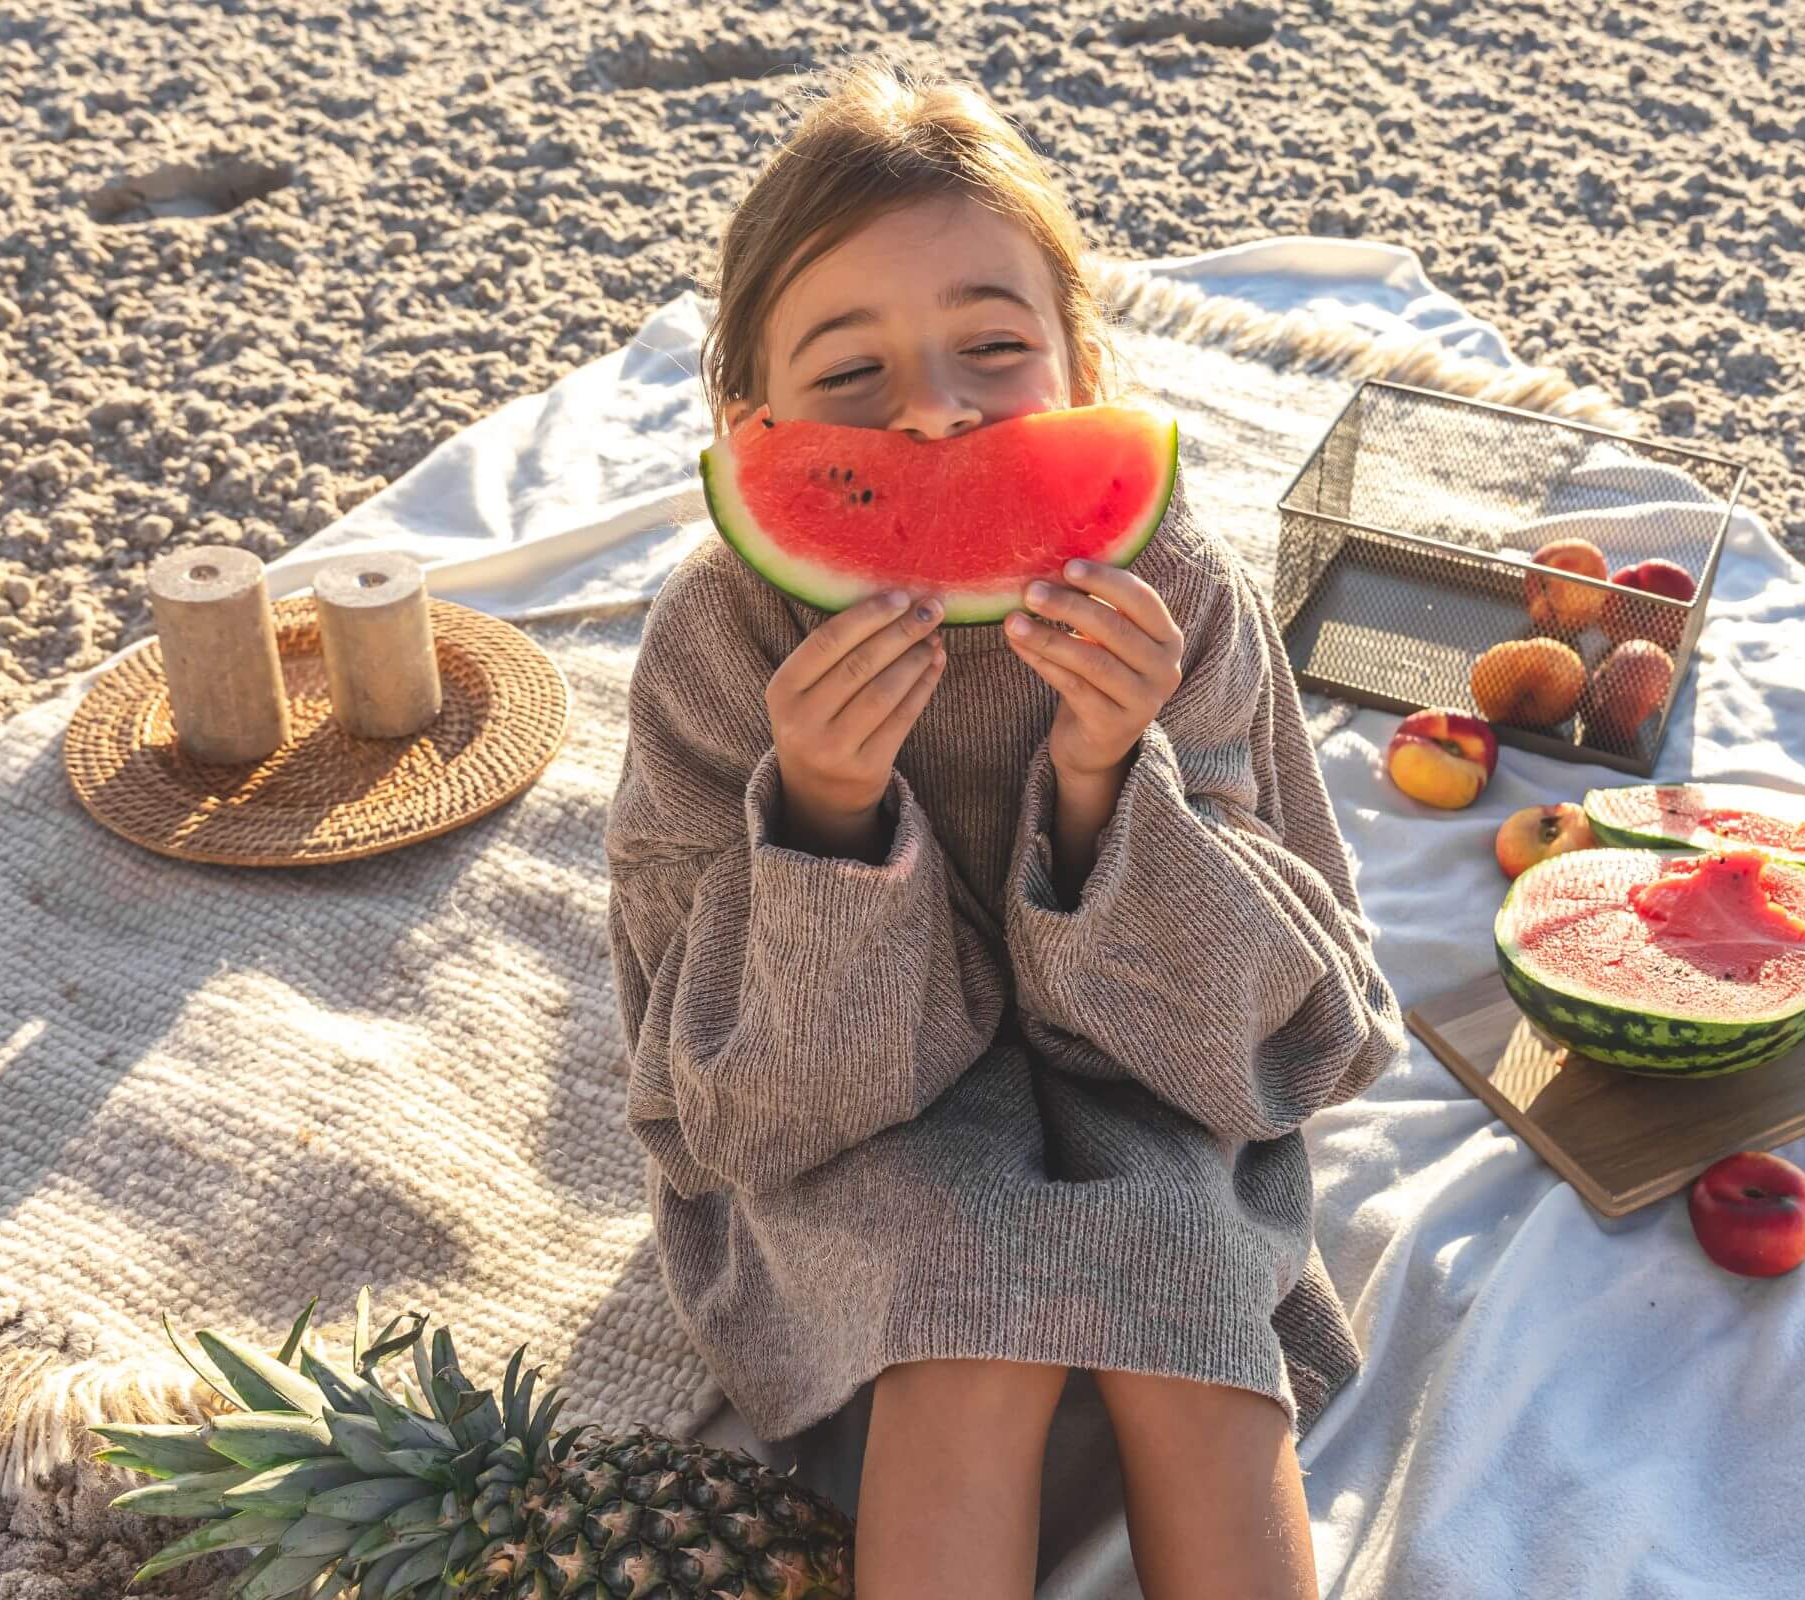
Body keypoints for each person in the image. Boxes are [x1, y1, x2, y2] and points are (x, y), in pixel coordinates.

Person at [602, 52, 1401, 1600]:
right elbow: (724, 1097)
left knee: (1200, 1351)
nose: (934, 422)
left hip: (1142, 1077)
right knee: (959, 1338)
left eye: (991, 350)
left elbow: (1261, 1029)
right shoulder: (718, 640)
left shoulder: (1167, 588)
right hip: (855, 1122)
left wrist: (1112, 775)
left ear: (1083, 378)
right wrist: (825, 818)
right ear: (748, 418)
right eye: (851, 380)